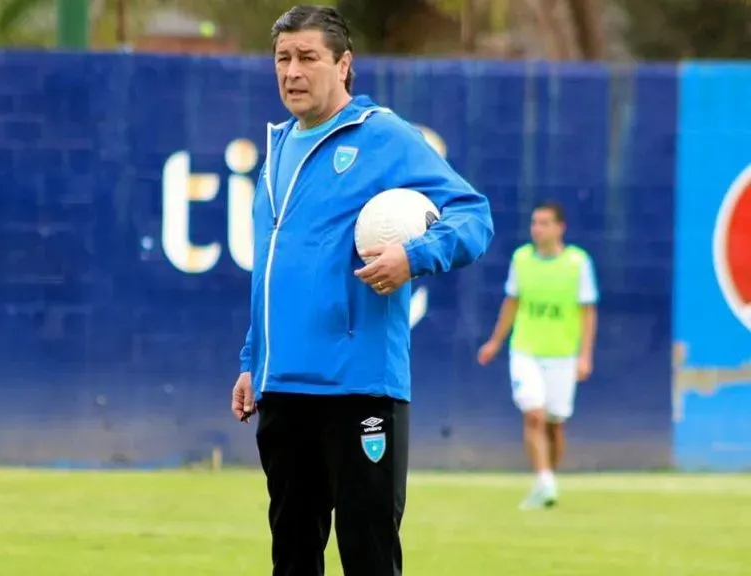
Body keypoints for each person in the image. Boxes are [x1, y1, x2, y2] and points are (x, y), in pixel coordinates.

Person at [229, 6, 494, 575]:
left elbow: (473, 215)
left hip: (360, 389)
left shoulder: (383, 136)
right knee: (291, 560)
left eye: (308, 57)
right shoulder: (278, 149)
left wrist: (413, 256)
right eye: (282, 59)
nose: (292, 72)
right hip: (283, 390)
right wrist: (254, 360)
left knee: (368, 560)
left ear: (344, 64)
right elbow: (274, 273)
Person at [477, 201, 599, 510]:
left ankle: (546, 482)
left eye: (544, 223)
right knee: (534, 415)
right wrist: (495, 342)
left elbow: (588, 312)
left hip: (562, 354)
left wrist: (585, 355)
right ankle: (545, 481)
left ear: (560, 227)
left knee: (554, 424)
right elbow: (512, 303)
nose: (537, 229)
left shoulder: (578, 262)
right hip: (525, 351)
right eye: (534, 222)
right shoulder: (521, 259)